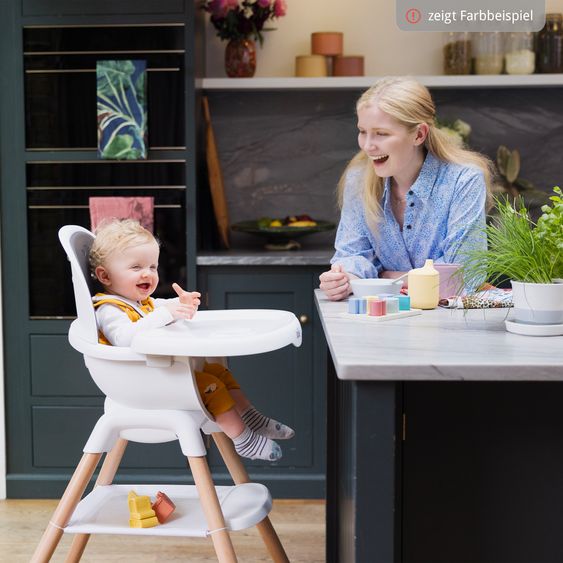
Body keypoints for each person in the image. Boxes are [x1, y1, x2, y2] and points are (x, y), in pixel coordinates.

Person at [89, 219, 294, 461]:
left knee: (219, 372)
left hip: (157, 375)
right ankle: (243, 439)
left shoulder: (140, 303)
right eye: (136, 267)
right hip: (140, 383)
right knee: (211, 387)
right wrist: (165, 314)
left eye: (153, 267)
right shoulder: (108, 310)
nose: (148, 273)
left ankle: (252, 418)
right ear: (105, 276)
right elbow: (124, 338)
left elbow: (160, 309)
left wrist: (181, 306)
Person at [319, 76, 494, 301]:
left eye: (381, 133)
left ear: (419, 134)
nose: (367, 145)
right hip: (381, 320)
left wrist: (388, 279)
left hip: (450, 325)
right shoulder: (358, 180)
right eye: (363, 131)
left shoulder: (463, 180)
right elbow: (353, 254)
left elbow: (466, 274)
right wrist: (343, 278)